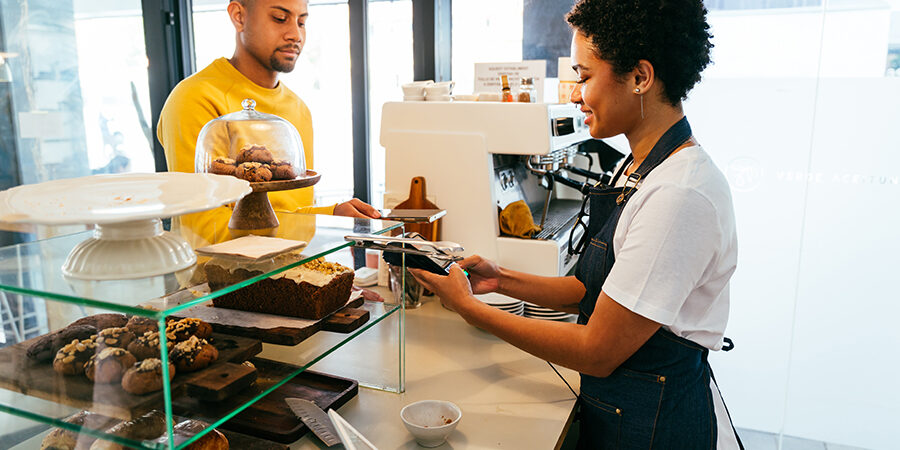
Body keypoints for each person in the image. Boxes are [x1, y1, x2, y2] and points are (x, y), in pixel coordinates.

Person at [410, 0, 742, 448]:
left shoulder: (678, 195)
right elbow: (594, 289)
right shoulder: (637, 167)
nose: (573, 94)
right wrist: (501, 279)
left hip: (653, 426)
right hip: (623, 410)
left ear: (640, 78)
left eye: (584, 77)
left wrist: (471, 309)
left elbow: (597, 351)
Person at [157, 0, 379, 224]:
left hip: (294, 257)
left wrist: (332, 214)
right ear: (238, 16)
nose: (295, 35)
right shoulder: (195, 98)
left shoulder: (298, 108)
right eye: (280, 19)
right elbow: (204, 228)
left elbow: (291, 211)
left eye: (302, 22)